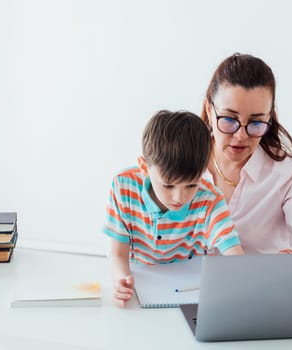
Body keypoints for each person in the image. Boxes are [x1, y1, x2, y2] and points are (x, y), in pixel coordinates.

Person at [103, 110, 244, 307]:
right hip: (141, 282)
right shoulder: (123, 186)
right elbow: (117, 254)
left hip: (189, 291)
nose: (180, 198)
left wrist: (244, 280)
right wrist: (121, 279)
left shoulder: (210, 199)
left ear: (203, 172)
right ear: (144, 168)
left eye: (191, 185)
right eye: (168, 186)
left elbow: (232, 251)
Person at [200, 53, 292, 254]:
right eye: (229, 119)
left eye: (256, 123)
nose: (241, 135)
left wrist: (291, 258)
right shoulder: (177, 159)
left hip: (261, 285)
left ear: (269, 118)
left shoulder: (287, 173)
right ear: (209, 110)